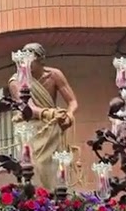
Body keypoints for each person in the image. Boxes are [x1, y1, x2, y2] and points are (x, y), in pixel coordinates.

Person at [6, 42, 78, 191]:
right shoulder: (16, 82)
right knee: (35, 166)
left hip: (51, 128)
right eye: (23, 61)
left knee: (56, 168)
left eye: (30, 61)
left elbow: (72, 101)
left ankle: (57, 198)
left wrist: (69, 115)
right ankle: (39, 199)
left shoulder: (54, 75)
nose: (25, 65)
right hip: (30, 129)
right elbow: (29, 108)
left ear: (41, 60)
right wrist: (49, 113)